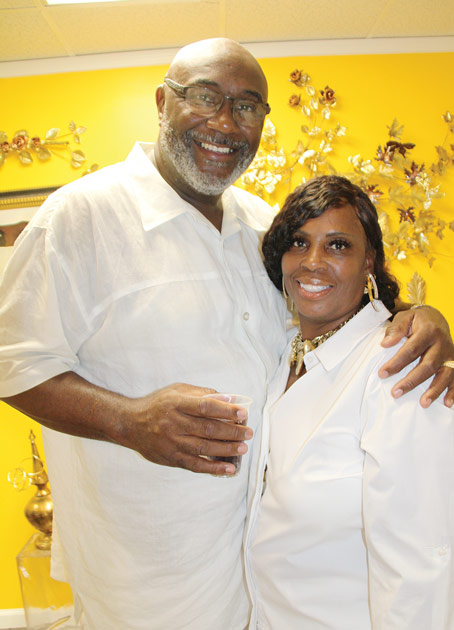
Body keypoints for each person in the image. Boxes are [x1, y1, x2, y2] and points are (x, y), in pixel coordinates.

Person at [0, 39, 452, 630]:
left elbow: (325, 309)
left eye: (246, 106)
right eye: (205, 97)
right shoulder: (80, 218)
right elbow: (13, 362)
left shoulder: (263, 226)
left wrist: (417, 315)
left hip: (261, 585)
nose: (225, 123)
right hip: (144, 583)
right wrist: (128, 420)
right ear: (162, 102)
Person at [245, 175, 453, 629]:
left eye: (337, 245)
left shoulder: (400, 366)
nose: (312, 262)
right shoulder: (283, 358)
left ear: (369, 262)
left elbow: (421, 564)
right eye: (299, 243)